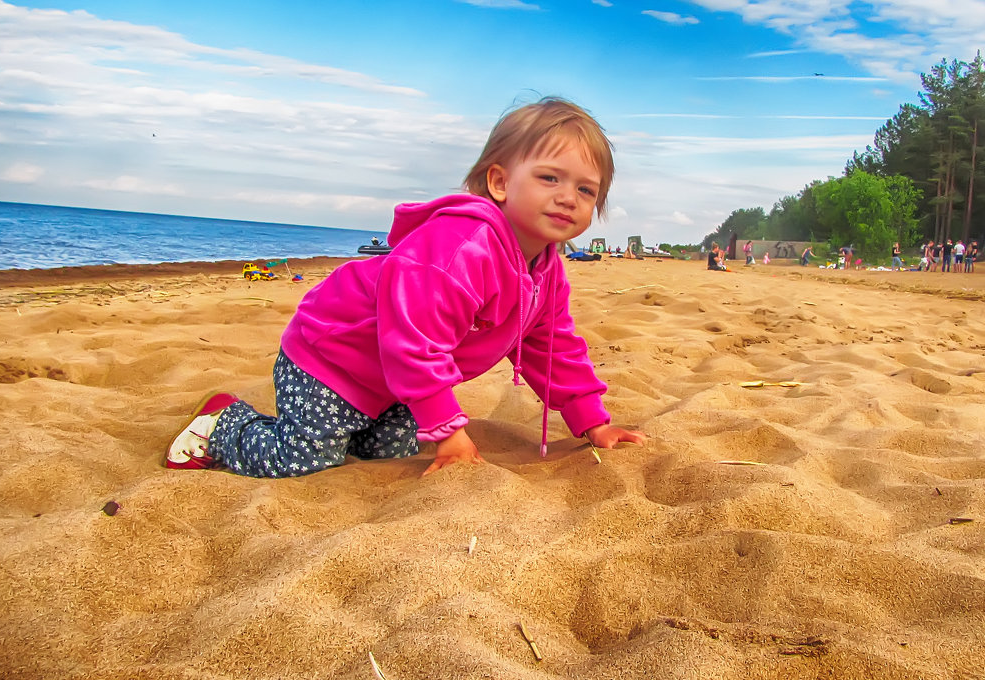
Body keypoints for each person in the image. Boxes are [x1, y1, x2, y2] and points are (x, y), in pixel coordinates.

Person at [165, 97, 646, 478]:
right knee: (301, 460)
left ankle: (352, 430)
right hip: (330, 359)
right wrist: (448, 433)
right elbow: (414, 342)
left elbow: (552, 346)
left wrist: (591, 420)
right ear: (500, 181)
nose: (568, 197)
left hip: (391, 388)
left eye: (586, 190)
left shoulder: (547, 271)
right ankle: (224, 423)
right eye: (549, 178)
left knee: (388, 454)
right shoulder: (459, 249)